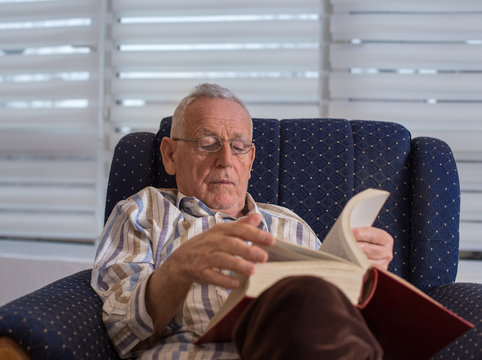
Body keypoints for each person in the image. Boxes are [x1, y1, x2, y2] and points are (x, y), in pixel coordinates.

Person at [92, 83, 393, 359]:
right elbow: (120, 330)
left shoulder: (290, 224)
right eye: (207, 143)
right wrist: (179, 269)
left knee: (314, 299)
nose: (225, 159)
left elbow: (341, 327)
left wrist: (369, 281)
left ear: (249, 161)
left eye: (238, 147)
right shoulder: (143, 212)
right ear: (170, 155)